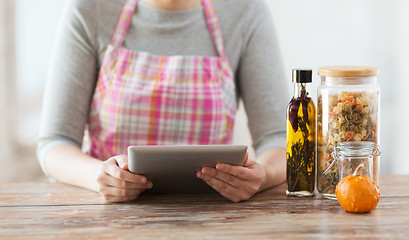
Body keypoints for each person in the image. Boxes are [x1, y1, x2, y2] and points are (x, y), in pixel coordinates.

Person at [37, 0, 289, 203]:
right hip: (110, 219)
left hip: (213, 216)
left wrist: (263, 175)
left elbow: (279, 139)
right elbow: (55, 142)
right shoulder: (90, 9)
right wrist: (98, 176)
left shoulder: (245, 12)